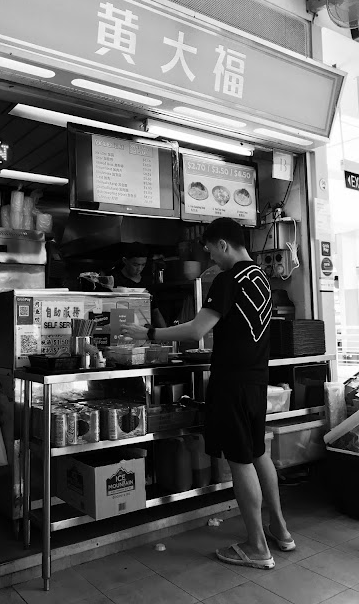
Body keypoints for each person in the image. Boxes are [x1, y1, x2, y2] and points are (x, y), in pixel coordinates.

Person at [122, 218, 293, 570]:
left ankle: (258, 547)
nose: (211, 258)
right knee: (257, 450)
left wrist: (150, 333)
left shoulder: (228, 279)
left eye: (211, 249)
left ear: (224, 245)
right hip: (257, 379)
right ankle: (280, 530)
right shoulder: (260, 276)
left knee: (239, 458)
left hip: (232, 382)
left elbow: (198, 329)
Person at [109, 242, 167, 328]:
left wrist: (166, 335)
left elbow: (155, 311)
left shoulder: (146, 280)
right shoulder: (113, 280)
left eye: (143, 265)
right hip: (119, 329)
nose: (139, 269)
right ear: (125, 261)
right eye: (135, 265)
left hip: (143, 331)